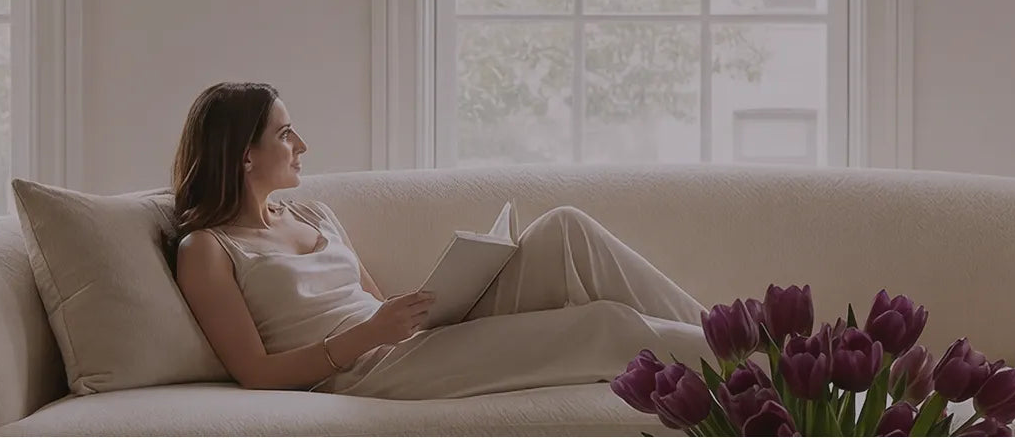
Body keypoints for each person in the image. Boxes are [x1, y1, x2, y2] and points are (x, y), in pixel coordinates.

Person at [166, 81, 711, 399]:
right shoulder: (208, 250)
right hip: (366, 372)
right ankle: (766, 375)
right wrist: (373, 333)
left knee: (566, 230)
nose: (302, 143)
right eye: (285, 134)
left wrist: (439, 299)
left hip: (404, 344)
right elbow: (256, 373)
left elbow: (378, 307)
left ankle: (739, 341)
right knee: (604, 326)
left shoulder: (314, 214)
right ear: (244, 156)